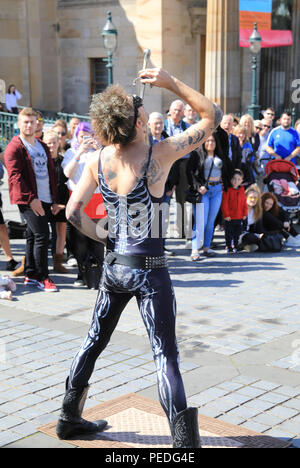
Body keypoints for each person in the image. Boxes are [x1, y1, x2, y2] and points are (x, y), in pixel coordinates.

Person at [55, 67, 223, 447]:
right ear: (134, 121)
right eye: (141, 111)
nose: (146, 113)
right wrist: (172, 81)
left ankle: (68, 417)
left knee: (94, 339)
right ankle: (183, 445)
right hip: (149, 270)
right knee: (165, 354)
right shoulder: (158, 155)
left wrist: (103, 236)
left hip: (115, 267)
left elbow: (72, 212)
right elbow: (211, 116)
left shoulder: (99, 159)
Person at [4, 108, 59, 292]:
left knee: (32, 235)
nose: (29, 125)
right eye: (25, 122)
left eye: (32, 121)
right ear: (19, 124)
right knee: (43, 235)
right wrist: (30, 199)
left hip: (44, 197)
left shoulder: (42, 145)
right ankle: (43, 277)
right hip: (29, 199)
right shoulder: (15, 147)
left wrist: (53, 199)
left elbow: (50, 174)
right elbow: (15, 177)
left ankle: (30, 274)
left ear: (37, 124)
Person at [62, 121, 105, 288]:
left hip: (97, 199)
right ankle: (82, 272)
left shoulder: (100, 152)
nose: (86, 139)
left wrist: (99, 149)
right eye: (82, 136)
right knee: (79, 239)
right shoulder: (71, 152)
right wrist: (79, 153)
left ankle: (100, 273)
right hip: (77, 199)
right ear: (76, 137)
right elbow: (67, 173)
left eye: (89, 136)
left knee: (98, 238)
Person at [186, 132, 231, 260]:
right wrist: (198, 186)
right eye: (207, 141)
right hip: (203, 190)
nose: (210, 143)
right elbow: (189, 171)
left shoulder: (220, 155)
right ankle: (195, 249)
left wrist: (226, 183)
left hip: (217, 189)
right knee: (201, 221)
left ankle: (206, 247)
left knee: (211, 222)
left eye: (212, 141)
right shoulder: (197, 154)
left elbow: (227, 170)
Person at [147, 112, 178, 256]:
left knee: (163, 218)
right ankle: (148, 248)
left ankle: (161, 247)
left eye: (160, 123)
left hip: (165, 187)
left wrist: (172, 185)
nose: (159, 126)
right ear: (149, 125)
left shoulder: (168, 141)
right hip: (148, 188)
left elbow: (175, 163)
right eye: (155, 123)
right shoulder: (144, 141)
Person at [164, 99, 191, 240]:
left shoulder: (186, 126)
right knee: (165, 198)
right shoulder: (162, 125)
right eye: (175, 109)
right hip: (167, 164)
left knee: (181, 199)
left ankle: (181, 230)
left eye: (180, 110)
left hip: (183, 164)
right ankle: (163, 231)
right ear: (170, 110)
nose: (177, 112)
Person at [43, 130, 69, 273]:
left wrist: (61, 204)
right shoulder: (42, 161)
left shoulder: (63, 160)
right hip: (46, 201)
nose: (51, 146)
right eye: (48, 143)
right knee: (40, 231)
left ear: (58, 143)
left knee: (61, 230)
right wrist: (52, 203)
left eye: (54, 143)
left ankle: (58, 262)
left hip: (62, 201)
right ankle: (31, 262)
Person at [221, 169, 248, 253]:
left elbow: (244, 202)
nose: (236, 181)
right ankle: (229, 246)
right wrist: (226, 215)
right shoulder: (227, 189)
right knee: (229, 233)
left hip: (239, 216)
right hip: (229, 217)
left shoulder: (242, 189)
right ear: (230, 179)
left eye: (238, 179)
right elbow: (224, 203)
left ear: (242, 181)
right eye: (234, 178)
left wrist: (244, 213)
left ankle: (236, 246)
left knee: (237, 233)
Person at [238, 184, 264, 252]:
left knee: (264, 237)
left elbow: (259, 230)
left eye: (255, 198)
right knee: (251, 237)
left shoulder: (257, 211)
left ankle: (247, 246)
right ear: (245, 197)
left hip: (250, 235)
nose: (253, 200)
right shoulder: (239, 209)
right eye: (250, 197)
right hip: (238, 236)